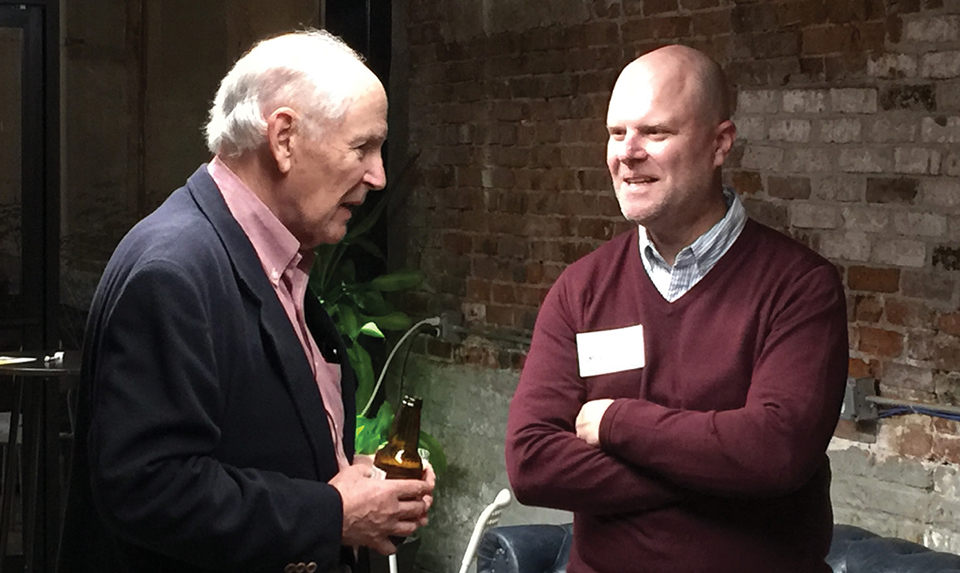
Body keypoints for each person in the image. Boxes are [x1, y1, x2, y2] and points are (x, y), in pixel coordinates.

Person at [58, 30, 434, 573]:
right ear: (283, 138)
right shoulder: (174, 271)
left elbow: (249, 441)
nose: (377, 175)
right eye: (363, 147)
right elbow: (147, 488)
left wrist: (358, 484)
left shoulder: (269, 254)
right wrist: (331, 513)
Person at [505, 45, 848, 572]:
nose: (627, 152)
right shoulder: (582, 288)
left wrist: (619, 422)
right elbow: (531, 462)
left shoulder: (799, 287)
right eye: (616, 134)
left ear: (720, 143)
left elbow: (775, 452)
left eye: (655, 133)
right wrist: (717, 469)